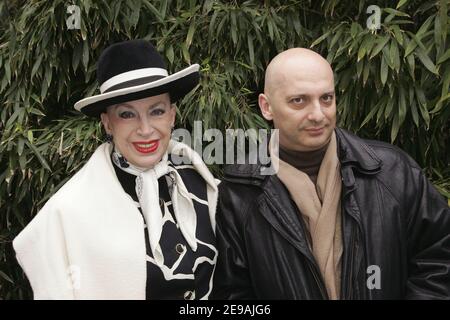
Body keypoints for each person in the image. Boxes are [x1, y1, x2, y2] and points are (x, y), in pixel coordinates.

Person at [212, 48, 450, 300]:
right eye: (299, 101)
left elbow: (438, 260)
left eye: (326, 98)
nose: (318, 114)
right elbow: (233, 294)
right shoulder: (240, 192)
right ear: (266, 107)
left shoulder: (392, 172)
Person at [13, 40, 219, 300]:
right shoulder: (70, 211)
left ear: (172, 116)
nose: (145, 129)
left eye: (156, 111)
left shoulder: (203, 185)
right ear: (107, 123)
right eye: (127, 114)